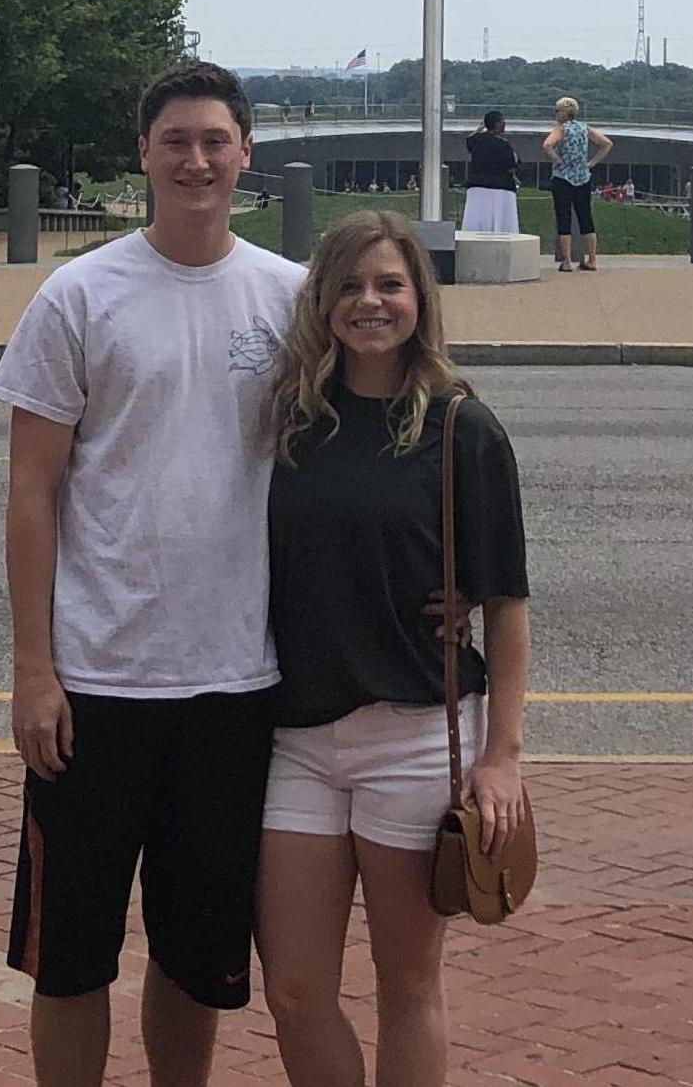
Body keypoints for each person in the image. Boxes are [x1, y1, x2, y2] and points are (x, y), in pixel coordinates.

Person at [0, 60, 307, 1087]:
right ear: (145, 155)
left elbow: (351, 473)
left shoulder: (292, 300)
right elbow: (32, 491)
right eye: (176, 141)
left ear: (247, 154)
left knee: (198, 958)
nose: (197, 159)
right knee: (69, 958)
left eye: (216, 140)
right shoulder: (79, 296)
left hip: (234, 686)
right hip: (97, 685)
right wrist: (35, 667)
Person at [256, 208, 530, 1087]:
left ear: (420, 298)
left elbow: (506, 603)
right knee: (295, 989)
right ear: (322, 300)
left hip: (416, 733)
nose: (369, 302)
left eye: (389, 284)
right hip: (293, 733)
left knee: (406, 985)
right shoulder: (291, 418)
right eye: (349, 285)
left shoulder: (460, 427)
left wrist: (501, 759)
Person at [539, 97, 608, 273]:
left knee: (564, 218)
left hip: (563, 177)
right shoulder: (585, 128)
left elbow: (547, 145)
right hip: (582, 177)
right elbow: (606, 143)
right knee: (586, 218)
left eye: (556, 111)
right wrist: (591, 162)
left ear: (563, 112)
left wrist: (557, 159)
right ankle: (592, 259)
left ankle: (567, 261)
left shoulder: (561, 129)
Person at [459, 110, 520, 235]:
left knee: (476, 219)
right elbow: (512, 164)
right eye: (502, 121)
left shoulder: (476, 141)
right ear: (497, 124)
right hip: (501, 187)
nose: (505, 124)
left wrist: (480, 128)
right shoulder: (503, 145)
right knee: (502, 222)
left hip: (476, 186)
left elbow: (469, 138)